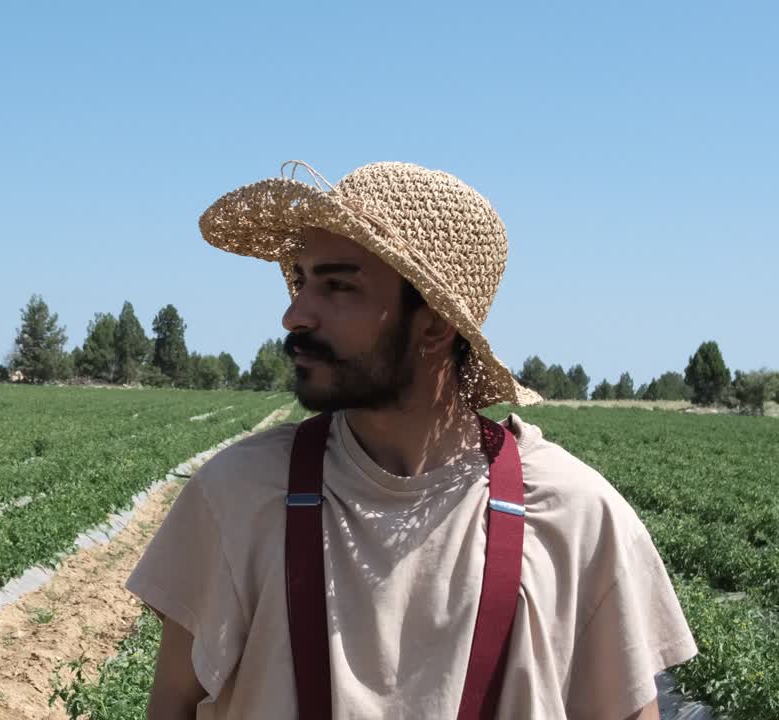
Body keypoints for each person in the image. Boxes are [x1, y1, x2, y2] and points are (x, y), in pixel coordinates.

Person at [125, 161, 697, 719]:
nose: (294, 313)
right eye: (301, 281)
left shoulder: (577, 518)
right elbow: (173, 704)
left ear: (434, 325)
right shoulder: (237, 496)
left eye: (338, 286)